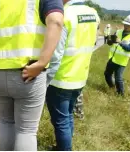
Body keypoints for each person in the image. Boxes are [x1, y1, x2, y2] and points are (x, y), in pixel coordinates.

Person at [0, 0, 64, 150]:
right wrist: (42, 62)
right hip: (29, 74)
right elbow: (56, 22)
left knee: (5, 122)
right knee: (26, 130)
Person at [46, 0, 99, 150]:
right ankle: (64, 146)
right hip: (80, 76)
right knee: (68, 114)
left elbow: (56, 53)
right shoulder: (92, 13)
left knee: (61, 120)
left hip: (61, 78)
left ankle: (64, 149)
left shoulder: (64, 15)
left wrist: (46, 77)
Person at [104, 14, 130, 96]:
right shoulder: (118, 31)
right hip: (112, 58)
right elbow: (110, 43)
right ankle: (112, 88)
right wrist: (110, 41)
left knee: (118, 79)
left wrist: (120, 42)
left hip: (121, 61)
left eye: (128, 25)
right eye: (125, 24)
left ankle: (121, 95)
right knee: (107, 74)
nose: (125, 26)